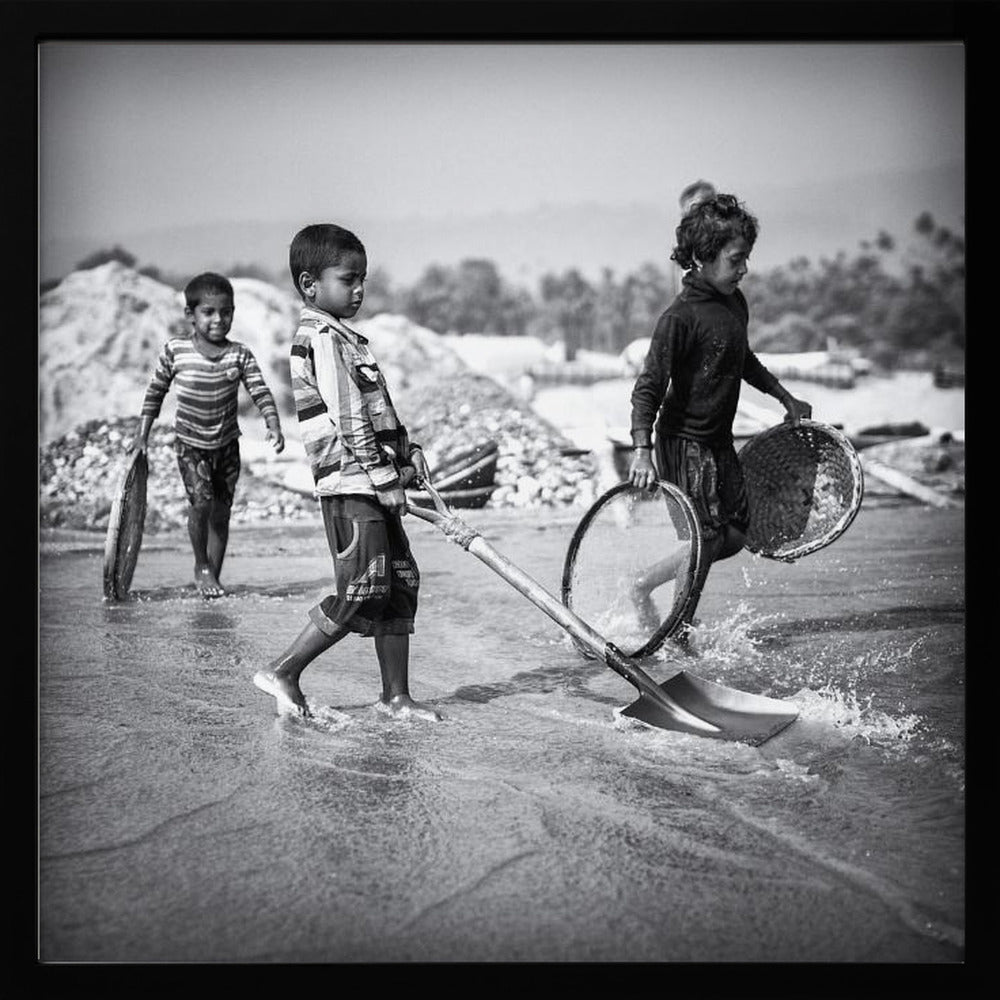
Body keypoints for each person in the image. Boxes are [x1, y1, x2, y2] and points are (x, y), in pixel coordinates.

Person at [252, 223, 439, 722]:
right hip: (352, 488)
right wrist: (385, 480)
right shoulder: (321, 339)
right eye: (348, 279)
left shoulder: (348, 339)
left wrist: (408, 454)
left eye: (362, 280)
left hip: (375, 482)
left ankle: (395, 697)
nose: (358, 290)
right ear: (309, 285)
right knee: (363, 589)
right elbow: (351, 420)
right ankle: (284, 671)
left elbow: (378, 409)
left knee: (399, 584)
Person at [628, 192, 812, 643]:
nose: (744, 268)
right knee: (703, 540)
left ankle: (644, 584)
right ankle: (678, 633)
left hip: (718, 441)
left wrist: (785, 397)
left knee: (734, 535)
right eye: (735, 259)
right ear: (703, 257)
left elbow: (742, 358)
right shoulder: (680, 318)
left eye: (746, 257)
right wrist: (641, 450)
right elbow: (648, 386)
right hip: (683, 442)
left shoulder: (735, 304)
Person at [132, 272, 285, 596]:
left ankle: (212, 575)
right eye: (209, 312)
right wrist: (141, 435)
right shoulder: (176, 351)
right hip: (191, 445)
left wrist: (273, 423)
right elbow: (155, 392)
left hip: (227, 446)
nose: (218, 319)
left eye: (225, 312)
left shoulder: (239, 354)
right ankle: (201, 565)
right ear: (190, 314)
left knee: (222, 513)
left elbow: (259, 390)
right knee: (201, 504)